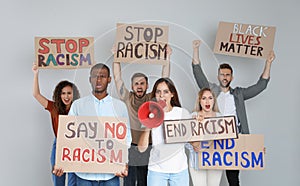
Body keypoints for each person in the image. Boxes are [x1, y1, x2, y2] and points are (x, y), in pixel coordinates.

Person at [191, 40, 275, 186]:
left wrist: (268, 63)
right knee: (208, 177)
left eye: (228, 75)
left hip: (233, 139)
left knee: (233, 178)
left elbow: (260, 86)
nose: (225, 77)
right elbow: (199, 75)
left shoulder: (239, 94)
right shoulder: (211, 91)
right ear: (218, 76)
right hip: (212, 136)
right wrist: (196, 49)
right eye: (222, 74)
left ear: (232, 77)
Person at [112, 46, 171, 186]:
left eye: (142, 83)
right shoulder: (127, 97)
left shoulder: (152, 97)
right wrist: (116, 56)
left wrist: (167, 57)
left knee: (145, 181)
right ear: (132, 86)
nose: (139, 86)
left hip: (149, 147)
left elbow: (165, 79)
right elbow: (117, 78)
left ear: (147, 85)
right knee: (129, 182)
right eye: (136, 84)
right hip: (130, 147)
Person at [68, 63, 132, 185]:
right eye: (94, 76)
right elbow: (70, 137)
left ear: (109, 80)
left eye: (102, 76)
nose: (98, 79)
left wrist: (124, 162)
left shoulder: (119, 107)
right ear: (89, 79)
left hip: (111, 174)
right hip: (84, 174)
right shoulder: (78, 105)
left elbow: (126, 138)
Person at [32, 63, 80, 186]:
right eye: (63, 93)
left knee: (73, 180)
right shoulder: (54, 107)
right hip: (59, 144)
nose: (66, 96)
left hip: (75, 146)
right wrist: (36, 74)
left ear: (74, 94)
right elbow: (36, 95)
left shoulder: (79, 108)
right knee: (58, 178)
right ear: (59, 95)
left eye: (69, 93)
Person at [138, 78, 191, 186]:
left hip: (179, 169)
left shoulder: (182, 113)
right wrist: (148, 125)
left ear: (172, 94)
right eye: (158, 92)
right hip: (157, 169)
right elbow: (141, 148)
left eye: (166, 91)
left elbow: (192, 141)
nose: (162, 95)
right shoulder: (149, 113)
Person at [186, 88, 223, 186]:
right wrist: (195, 145)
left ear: (214, 100)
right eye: (204, 98)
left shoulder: (220, 117)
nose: (207, 101)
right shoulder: (192, 116)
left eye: (210, 98)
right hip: (197, 162)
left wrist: (254, 150)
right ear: (199, 101)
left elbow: (229, 140)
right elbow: (185, 139)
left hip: (215, 162)